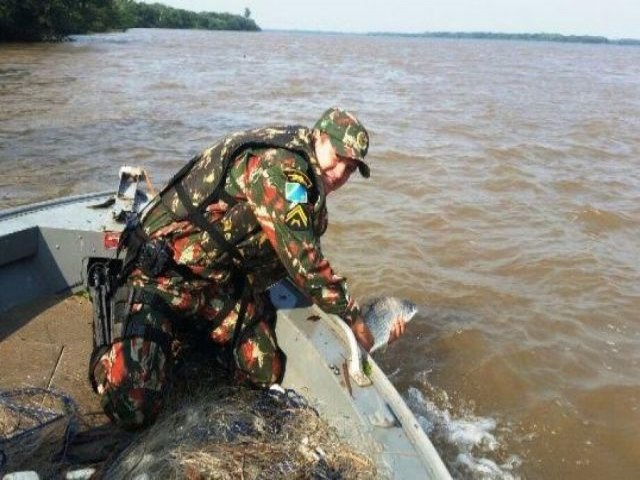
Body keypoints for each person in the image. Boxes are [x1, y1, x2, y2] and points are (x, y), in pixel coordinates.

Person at [89, 107, 407, 429]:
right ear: (319, 137)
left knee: (263, 370)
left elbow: (295, 259)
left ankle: (183, 335)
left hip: (216, 283)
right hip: (165, 277)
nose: (339, 172)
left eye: (350, 168)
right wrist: (356, 323)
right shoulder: (281, 170)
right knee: (132, 405)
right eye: (337, 157)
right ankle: (112, 351)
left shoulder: (308, 186)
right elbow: (307, 266)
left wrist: (358, 335)